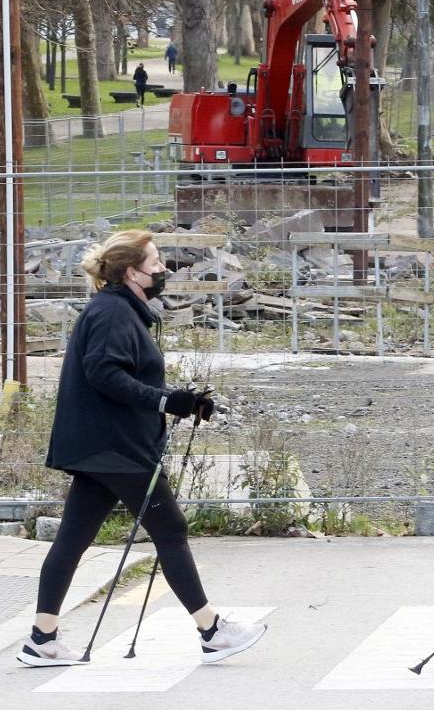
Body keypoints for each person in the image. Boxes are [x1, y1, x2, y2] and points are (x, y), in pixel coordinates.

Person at [17, 230, 267, 668]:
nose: (163, 270)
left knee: (73, 539)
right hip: (117, 447)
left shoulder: (119, 309)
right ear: (132, 272)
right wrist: (164, 400)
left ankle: (43, 639)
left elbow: (127, 378)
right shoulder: (114, 312)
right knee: (170, 530)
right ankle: (212, 632)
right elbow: (104, 374)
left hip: (100, 445)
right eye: (155, 264)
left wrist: (179, 399)